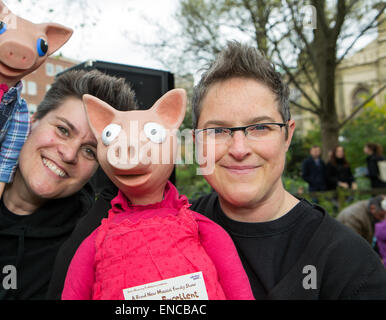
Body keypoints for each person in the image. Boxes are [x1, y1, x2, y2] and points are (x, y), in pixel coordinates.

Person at [49, 41, 386, 300]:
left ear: (288, 135)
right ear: (194, 142)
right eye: (218, 131)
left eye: (259, 127)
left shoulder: (350, 266)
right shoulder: (172, 219)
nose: (239, 149)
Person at [0, 69, 138, 299]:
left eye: (90, 151)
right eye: (63, 130)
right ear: (32, 120)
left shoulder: (87, 246)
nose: (70, 154)